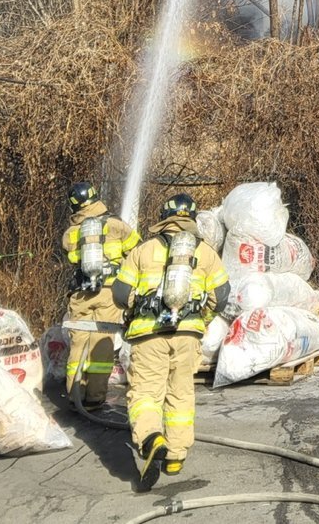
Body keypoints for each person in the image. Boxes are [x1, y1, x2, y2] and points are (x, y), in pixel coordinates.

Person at [112, 193, 229, 491]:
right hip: (188, 334)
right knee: (180, 395)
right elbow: (223, 295)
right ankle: (175, 457)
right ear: (191, 218)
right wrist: (201, 318)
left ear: (164, 216)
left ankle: (152, 438)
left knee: (146, 394)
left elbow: (120, 294)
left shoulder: (143, 250)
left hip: (149, 335)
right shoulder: (205, 253)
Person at [61, 181, 141, 409]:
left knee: (78, 344)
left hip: (81, 294)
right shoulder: (117, 226)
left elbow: (70, 256)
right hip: (109, 292)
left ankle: (75, 393)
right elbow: (137, 251)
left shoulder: (71, 233)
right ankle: (95, 398)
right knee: (102, 343)